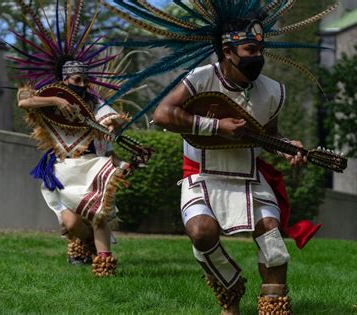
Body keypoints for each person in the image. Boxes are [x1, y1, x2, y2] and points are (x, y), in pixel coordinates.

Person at [98, 0, 337, 311]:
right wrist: (216, 126)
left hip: (250, 177)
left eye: (260, 50)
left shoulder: (272, 91)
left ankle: (274, 304)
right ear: (228, 51)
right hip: (202, 175)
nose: (258, 57)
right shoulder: (200, 79)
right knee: (201, 231)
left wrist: (289, 146)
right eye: (250, 50)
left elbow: (268, 134)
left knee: (272, 238)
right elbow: (163, 114)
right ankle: (230, 291)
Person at [18, 61, 130, 276]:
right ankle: (87, 243)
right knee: (71, 223)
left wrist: (112, 127)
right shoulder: (50, 101)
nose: (81, 84)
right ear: (65, 79)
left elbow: (111, 122)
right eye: (76, 79)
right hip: (64, 169)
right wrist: (57, 99)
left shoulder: (93, 102)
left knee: (98, 214)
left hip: (93, 166)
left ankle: (104, 264)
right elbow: (24, 102)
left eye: (84, 80)